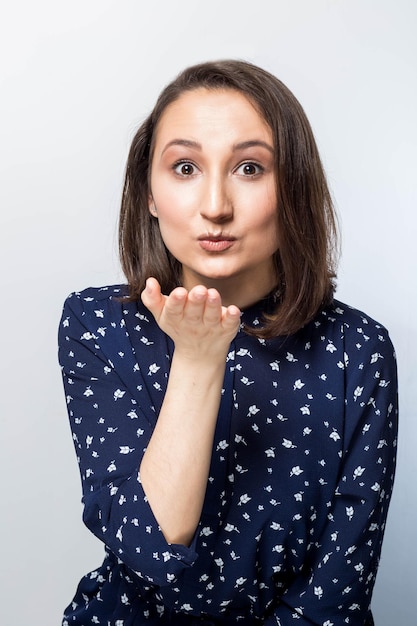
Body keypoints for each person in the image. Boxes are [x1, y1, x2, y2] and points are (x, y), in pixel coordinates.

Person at [58, 60, 398, 626]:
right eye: (185, 167)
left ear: (292, 187)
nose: (215, 206)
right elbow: (151, 547)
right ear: (149, 192)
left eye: (248, 168)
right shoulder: (98, 324)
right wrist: (196, 360)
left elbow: (338, 590)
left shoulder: (356, 349)